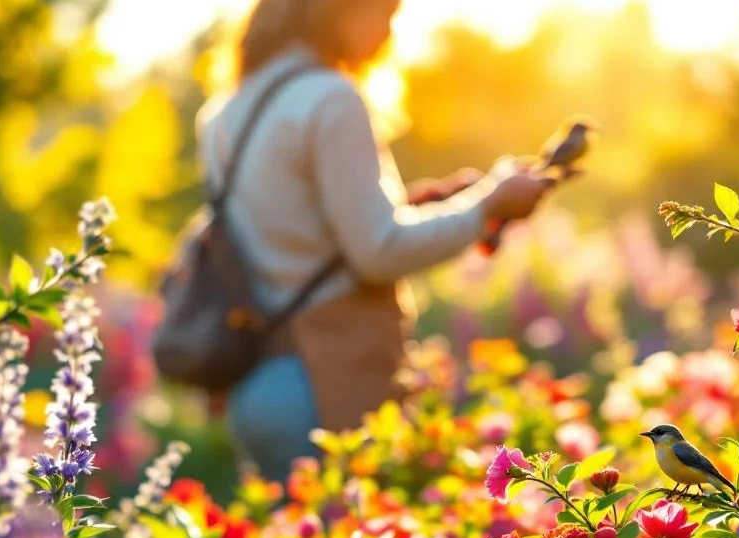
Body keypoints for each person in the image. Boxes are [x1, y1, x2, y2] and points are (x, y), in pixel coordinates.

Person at [196, 0, 552, 481]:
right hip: (327, 382)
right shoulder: (330, 97)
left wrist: (420, 206)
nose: (390, 28)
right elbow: (377, 253)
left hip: (258, 383)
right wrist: (489, 204)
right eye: (384, 10)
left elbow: (298, 233)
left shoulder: (224, 111)